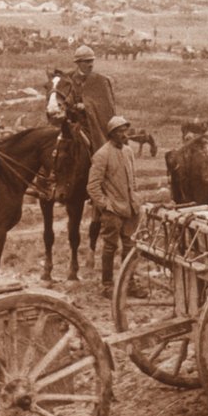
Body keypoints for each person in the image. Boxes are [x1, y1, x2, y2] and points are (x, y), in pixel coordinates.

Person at [87, 115, 139, 295]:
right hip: (112, 211)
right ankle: (107, 285)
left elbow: (132, 178)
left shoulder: (128, 152)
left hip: (131, 209)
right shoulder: (102, 155)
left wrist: (135, 199)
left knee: (130, 248)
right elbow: (92, 186)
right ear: (111, 134)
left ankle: (129, 284)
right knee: (110, 247)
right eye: (120, 131)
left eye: (125, 130)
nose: (124, 134)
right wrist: (106, 206)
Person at [66, 44, 118, 150]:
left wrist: (86, 106)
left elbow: (108, 107)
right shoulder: (68, 78)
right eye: (87, 61)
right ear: (78, 63)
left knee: (105, 149)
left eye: (92, 61)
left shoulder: (101, 81)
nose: (91, 65)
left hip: (93, 125)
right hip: (71, 121)